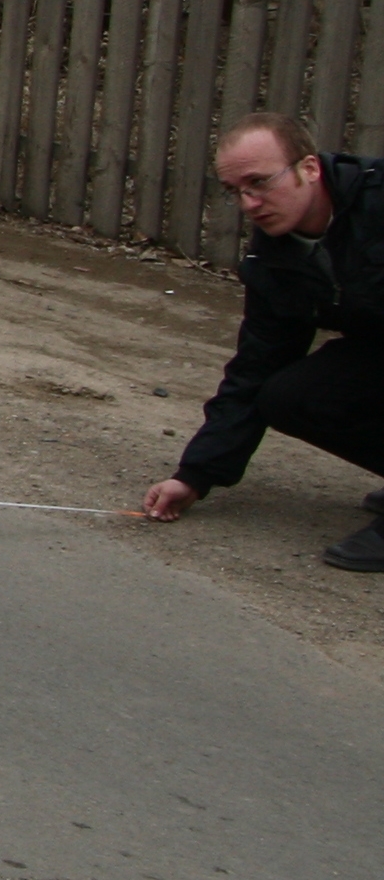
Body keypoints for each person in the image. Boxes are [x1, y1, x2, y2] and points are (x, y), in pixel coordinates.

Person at [137, 114, 384, 570]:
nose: (250, 203)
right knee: (289, 396)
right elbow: (258, 363)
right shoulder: (277, 255)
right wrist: (196, 474)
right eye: (236, 191)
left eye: (259, 182)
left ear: (309, 168)